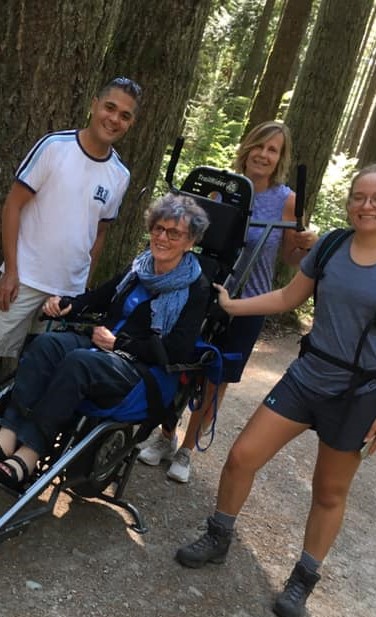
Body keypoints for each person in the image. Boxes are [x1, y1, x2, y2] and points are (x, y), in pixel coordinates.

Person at [175, 163, 376, 617]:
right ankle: (219, 536)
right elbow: (288, 297)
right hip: (307, 374)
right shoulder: (333, 246)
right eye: (358, 196)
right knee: (242, 456)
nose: (366, 205)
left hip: (360, 393)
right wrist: (233, 306)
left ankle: (302, 579)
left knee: (329, 492)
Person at [138, 120, 318, 482]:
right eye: (260, 146)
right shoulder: (225, 188)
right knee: (180, 362)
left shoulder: (286, 200)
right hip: (203, 292)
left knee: (217, 376)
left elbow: (289, 260)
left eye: (273, 150)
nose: (264, 155)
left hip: (251, 300)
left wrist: (304, 244)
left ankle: (188, 449)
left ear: (281, 158)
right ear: (248, 147)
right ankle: (166, 436)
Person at [0, 193, 210, 491]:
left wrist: (120, 343)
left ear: (191, 241)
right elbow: (102, 295)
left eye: (174, 233)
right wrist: (67, 304)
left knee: (78, 363)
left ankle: (31, 451)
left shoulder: (196, 288)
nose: (162, 237)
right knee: (46, 345)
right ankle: (7, 433)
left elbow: (176, 350)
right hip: (101, 349)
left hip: (140, 369)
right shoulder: (141, 266)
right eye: (158, 229)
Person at [0, 76, 142, 376]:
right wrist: (10, 271)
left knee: (32, 372)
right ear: (94, 105)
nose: (114, 119)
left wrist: (80, 296)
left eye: (125, 115)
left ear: (131, 124)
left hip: (65, 295)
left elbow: (99, 234)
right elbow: (13, 205)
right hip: (23, 279)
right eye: (110, 107)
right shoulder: (55, 146)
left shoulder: (119, 175)